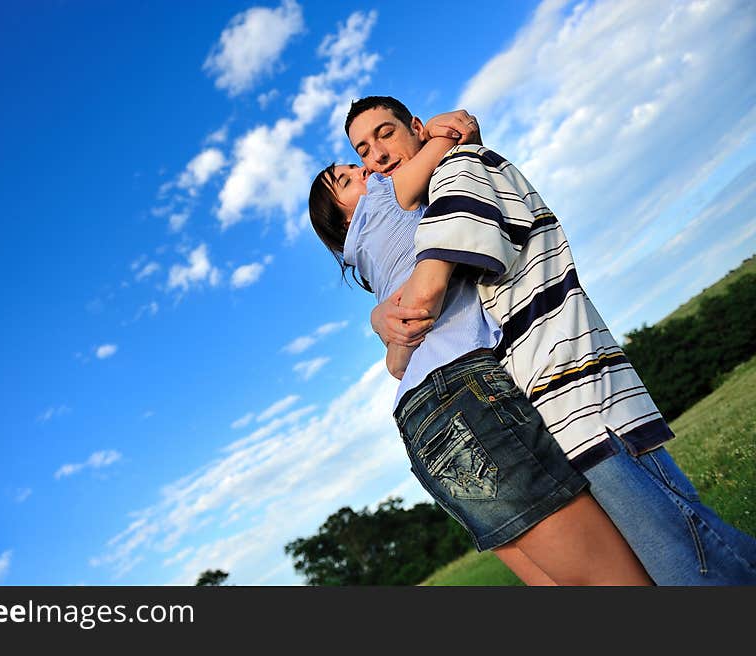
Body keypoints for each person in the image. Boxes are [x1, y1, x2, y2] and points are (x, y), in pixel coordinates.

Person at [347, 95, 756, 585]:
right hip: (557, 403)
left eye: (386, 133)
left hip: (578, 397)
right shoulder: (436, 194)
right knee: (679, 557)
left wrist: (382, 320)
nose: (377, 155)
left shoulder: (460, 172)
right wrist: (380, 316)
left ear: (416, 127)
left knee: (693, 562)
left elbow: (425, 293)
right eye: (364, 149)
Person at [309, 129, 653, 585]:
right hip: (462, 389)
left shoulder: (370, 262)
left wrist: (379, 321)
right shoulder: (383, 199)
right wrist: (443, 134)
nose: (362, 169)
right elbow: (443, 139)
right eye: (347, 176)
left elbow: (395, 363)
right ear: (346, 216)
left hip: (416, 418)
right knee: (617, 579)